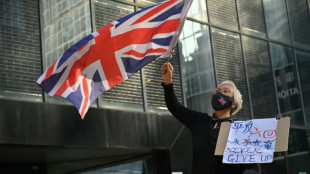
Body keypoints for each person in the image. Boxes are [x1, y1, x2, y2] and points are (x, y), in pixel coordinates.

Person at [161, 62, 254, 174]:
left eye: (226, 91)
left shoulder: (242, 129)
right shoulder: (200, 121)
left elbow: (251, 162)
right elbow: (175, 107)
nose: (219, 94)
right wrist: (168, 83)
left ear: (234, 103)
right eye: (217, 91)